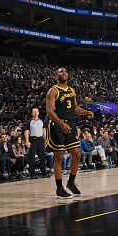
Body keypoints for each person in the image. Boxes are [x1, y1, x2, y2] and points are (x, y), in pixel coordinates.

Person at [46, 67, 94, 199]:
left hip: (70, 125)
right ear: (56, 75)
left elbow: (75, 108)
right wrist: (62, 124)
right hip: (57, 125)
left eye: (66, 72)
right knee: (59, 156)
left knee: (77, 154)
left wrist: (86, 112)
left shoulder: (71, 90)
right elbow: (50, 111)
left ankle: (71, 183)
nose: (64, 73)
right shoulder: (53, 91)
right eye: (61, 72)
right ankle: (59, 188)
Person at [24, 108, 48, 178]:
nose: (36, 113)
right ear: (32, 113)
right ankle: (32, 174)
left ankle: (44, 173)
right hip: (33, 139)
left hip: (40, 139)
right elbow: (26, 132)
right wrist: (27, 141)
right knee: (32, 158)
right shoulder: (29, 121)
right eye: (34, 112)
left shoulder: (41, 121)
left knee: (42, 157)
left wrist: (46, 140)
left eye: (37, 111)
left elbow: (44, 130)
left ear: (38, 113)